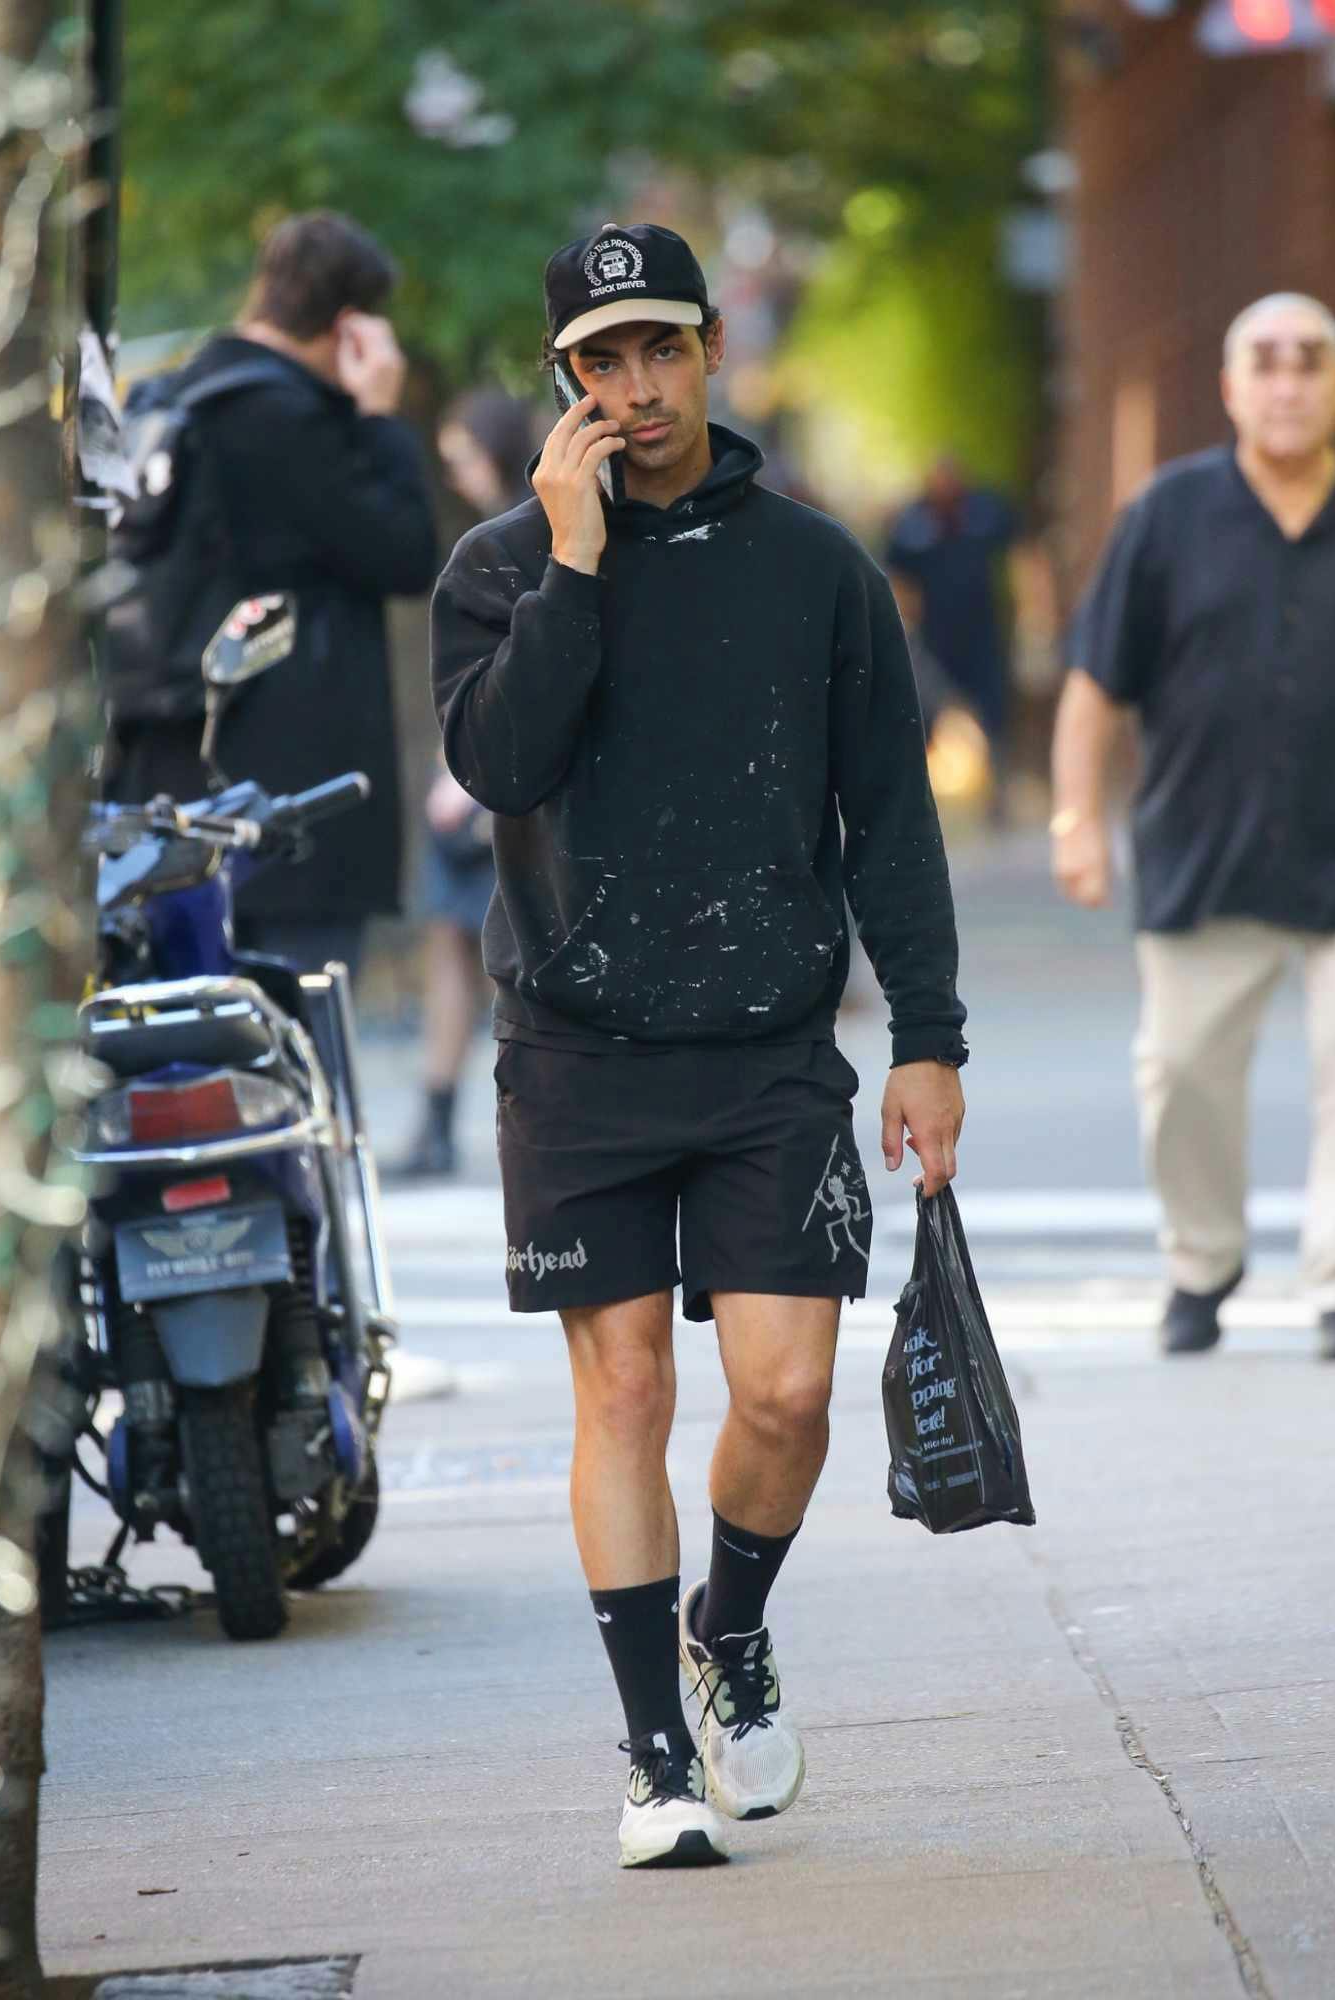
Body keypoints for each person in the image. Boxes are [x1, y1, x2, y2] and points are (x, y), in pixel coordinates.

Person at [432, 223, 968, 1869]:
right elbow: (503, 768)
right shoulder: (498, 571)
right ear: (565, 380)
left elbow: (886, 815)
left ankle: (725, 1632)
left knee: (790, 1392)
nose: (638, 385)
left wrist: (928, 1038)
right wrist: (575, 561)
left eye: (661, 347)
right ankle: (656, 1760)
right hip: (575, 1054)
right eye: (603, 360)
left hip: (766, 1050)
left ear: (712, 345)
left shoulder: (813, 567)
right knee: (625, 1386)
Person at [1052, 292, 1335, 1364]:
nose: (1289, 380)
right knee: (1183, 1074)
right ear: (1231, 386)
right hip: (1204, 849)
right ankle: (1202, 1260)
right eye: (1267, 361)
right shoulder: (1166, 513)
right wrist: (1076, 817)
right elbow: (1094, 684)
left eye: (1312, 361)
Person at [103, 210, 439, 976]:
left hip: (164, 788)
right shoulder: (289, 421)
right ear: (351, 326)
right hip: (286, 809)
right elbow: (406, 553)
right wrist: (380, 416)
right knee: (292, 1050)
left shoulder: (172, 399)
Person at [386, 391, 534, 1181]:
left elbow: (504, 683)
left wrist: (464, 783)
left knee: (478, 953)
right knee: (462, 950)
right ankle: (442, 1114)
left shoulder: (513, 540)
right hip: (481, 785)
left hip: (489, 791)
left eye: (461, 450)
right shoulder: (523, 529)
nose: (453, 465)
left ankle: (452, 1118)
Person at [884, 453, 1021, 822]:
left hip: (984, 635)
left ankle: (998, 802)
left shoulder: (986, 511)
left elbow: (1020, 557)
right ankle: (914, 803)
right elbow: (897, 577)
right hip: (934, 640)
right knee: (921, 717)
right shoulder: (912, 521)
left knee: (994, 717)